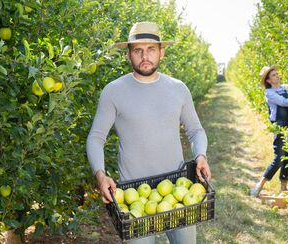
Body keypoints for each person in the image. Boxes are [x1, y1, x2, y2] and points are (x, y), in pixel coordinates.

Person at [86, 22, 211, 244]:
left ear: (161, 52)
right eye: (138, 50)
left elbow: (196, 130)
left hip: (178, 191)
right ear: (128, 54)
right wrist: (101, 174)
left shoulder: (178, 88)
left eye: (151, 49)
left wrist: (200, 154)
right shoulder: (113, 91)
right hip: (133, 195)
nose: (145, 56)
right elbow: (96, 138)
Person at [250, 56, 288, 197]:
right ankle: (259, 186)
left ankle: (283, 190)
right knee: (279, 157)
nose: (277, 75)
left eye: (277, 73)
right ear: (268, 80)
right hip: (280, 127)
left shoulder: (285, 87)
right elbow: (286, 103)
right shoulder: (269, 93)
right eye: (273, 74)